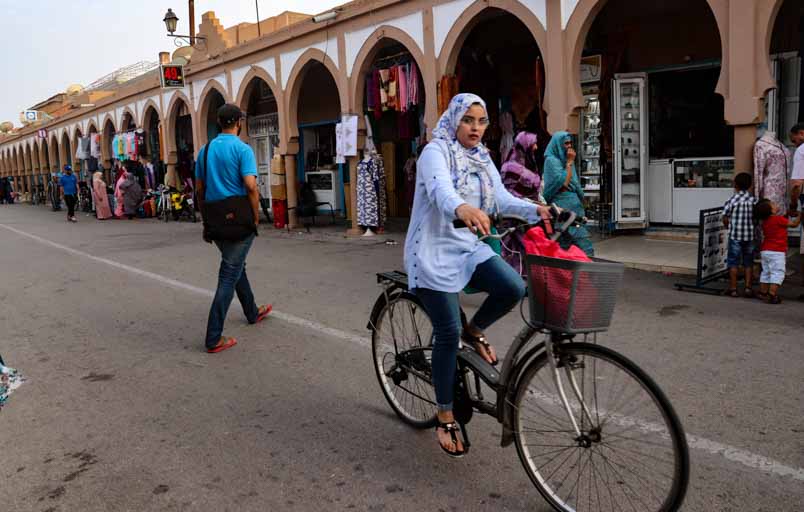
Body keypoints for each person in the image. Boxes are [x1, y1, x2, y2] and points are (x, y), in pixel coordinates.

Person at [405, 93, 551, 458]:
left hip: (466, 248)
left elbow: (502, 200)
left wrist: (542, 211)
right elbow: (440, 190)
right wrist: (462, 206)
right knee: (447, 332)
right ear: (455, 120)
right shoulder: (434, 152)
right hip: (432, 251)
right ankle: (443, 413)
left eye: (481, 121)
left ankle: (476, 328)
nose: (475, 127)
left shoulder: (483, 157)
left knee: (513, 287)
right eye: (468, 120)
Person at [195, 103, 272, 354]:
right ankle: (213, 337)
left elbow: (199, 189)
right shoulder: (242, 149)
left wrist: (205, 218)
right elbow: (250, 185)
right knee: (229, 273)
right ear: (238, 122)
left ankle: (252, 311)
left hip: (216, 221)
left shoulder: (204, 152)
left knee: (236, 265)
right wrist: (256, 216)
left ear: (219, 123)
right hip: (239, 222)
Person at [542, 132, 594, 257]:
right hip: (562, 205)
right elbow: (563, 183)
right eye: (566, 143)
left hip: (574, 205)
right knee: (578, 242)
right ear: (558, 144)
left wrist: (582, 198)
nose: (569, 146)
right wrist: (570, 162)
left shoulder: (565, 159)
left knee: (569, 243)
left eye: (570, 143)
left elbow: (574, 182)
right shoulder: (551, 161)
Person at [755, 200, 801, 304]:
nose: (776, 205)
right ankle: (772, 295)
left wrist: (787, 214)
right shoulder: (778, 219)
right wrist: (800, 215)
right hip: (777, 251)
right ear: (771, 210)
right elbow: (794, 224)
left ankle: (763, 292)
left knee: (766, 272)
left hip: (765, 250)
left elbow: (782, 221)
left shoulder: (765, 221)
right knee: (778, 272)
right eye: (774, 204)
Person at [722, 173, 757, 297]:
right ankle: (748, 288)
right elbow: (756, 218)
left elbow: (725, 217)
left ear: (735, 185)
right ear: (750, 185)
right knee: (748, 262)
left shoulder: (732, 200)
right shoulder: (754, 200)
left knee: (733, 262)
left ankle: (733, 289)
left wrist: (728, 226)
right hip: (750, 236)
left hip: (735, 236)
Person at [500, 131, 542, 201]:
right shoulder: (510, 167)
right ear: (526, 145)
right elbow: (511, 193)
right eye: (533, 144)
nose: (536, 147)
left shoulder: (529, 162)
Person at [788, 123, 804, 296]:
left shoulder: (801, 151)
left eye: (794, 140)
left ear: (801, 133)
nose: (794, 144)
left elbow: (797, 184)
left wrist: (793, 205)